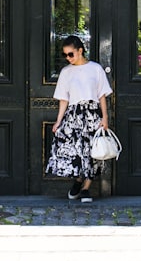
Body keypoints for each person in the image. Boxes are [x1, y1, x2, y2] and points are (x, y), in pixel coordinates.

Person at [46, 35, 112, 203]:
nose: (68, 58)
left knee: (93, 154)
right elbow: (63, 99)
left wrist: (105, 117)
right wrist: (58, 121)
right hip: (73, 116)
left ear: (80, 50)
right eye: (65, 55)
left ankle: (85, 189)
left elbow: (102, 96)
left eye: (71, 54)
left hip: (92, 114)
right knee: (75, 152)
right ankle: (77, 180)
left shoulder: (96, 69)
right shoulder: (66, 72)